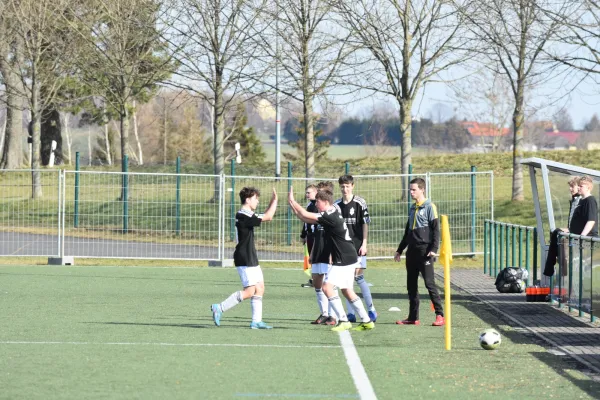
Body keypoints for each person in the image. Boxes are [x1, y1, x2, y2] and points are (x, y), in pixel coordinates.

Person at [289, 186, 374, 332]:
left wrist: (292, 200)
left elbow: (304, 213)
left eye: (317, 202)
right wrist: (293, 206)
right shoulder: (330, 212)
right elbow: (304, 217)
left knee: (327, 287)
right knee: (347, 290)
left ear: (324, 202)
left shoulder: (330, 215)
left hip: (344, 257)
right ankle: (366, 321)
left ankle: (343, 319)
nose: (316, 205)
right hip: (348, 255)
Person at [211, 187, 278, 329]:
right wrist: (275, 201)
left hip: (250, 255)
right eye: (255, 198)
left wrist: (272, 201)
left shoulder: (247, 214)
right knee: (249, 291)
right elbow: (268, 216)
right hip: (244, 257)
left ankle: (256, 321)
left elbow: (263, 215)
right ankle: (220, 307)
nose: (257, 201)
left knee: (259, 288)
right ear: (247, 200)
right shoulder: (243, 215)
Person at [394, 178, 444, 327]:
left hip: (425, 252)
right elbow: (408, 231)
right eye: (410, 189)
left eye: (414, 189)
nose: (411, 192)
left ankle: (440, 315)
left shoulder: (430, 207)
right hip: (412, 251)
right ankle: (413, 317)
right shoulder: (412, 208)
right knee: (411, 285)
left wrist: (434, 249)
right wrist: (400, 250)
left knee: (429, 283)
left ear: (422, 190)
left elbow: (436, 230)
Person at [335, 175, 377, 322]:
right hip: (343, 249)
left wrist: (364, 244)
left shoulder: (360, 203)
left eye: (347, 186)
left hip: (358, 246)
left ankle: (371, 310)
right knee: (347, 282)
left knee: (358, 278)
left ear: (352, 186)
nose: (345, 189)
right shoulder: (337, 205)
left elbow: (365, 224)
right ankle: (351, 313)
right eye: (342, 186)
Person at [300, 184, 318, 288]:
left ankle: (319, 280)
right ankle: (313, 279)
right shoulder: (309, 205)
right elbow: (306, 222)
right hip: (310, 236)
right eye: (306, 192)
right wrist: (304, 235)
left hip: (317, 236)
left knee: (317, 258)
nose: (307, 194)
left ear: (316, 192)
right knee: (312, 258)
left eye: (309, 192)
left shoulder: (318, 205)